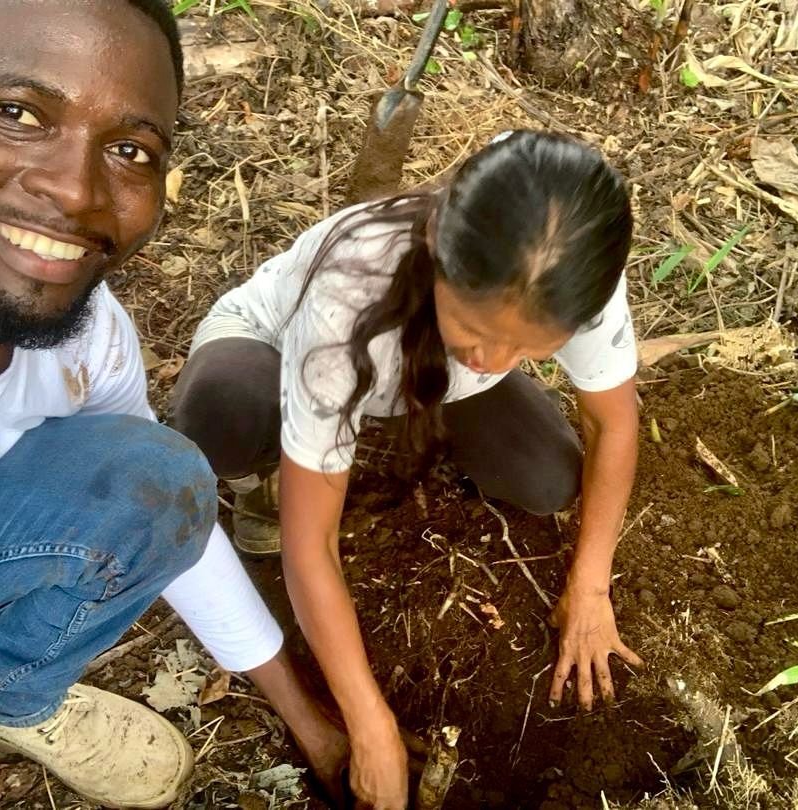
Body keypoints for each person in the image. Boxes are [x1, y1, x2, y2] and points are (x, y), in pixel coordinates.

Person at [0, 1, 347, 808]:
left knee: (162, 477)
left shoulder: (86, 339)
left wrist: (310, 719)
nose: (76, 192)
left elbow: (157, 518)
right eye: (17, 113)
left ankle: (6, 698)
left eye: (128, 150)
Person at [173, 129, 645, 809]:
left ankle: (383, 433)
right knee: (221, 412)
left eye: (527, 347)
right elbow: (311, 549)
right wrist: (369, 724)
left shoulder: (579, 276)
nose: (493, 356)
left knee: (547, 481)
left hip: (419, 382)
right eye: (477, 329)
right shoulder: (350, 296)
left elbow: (611, 420)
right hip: (276, 357)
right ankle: (266, 473)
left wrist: (592, 587)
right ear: (437, 259)